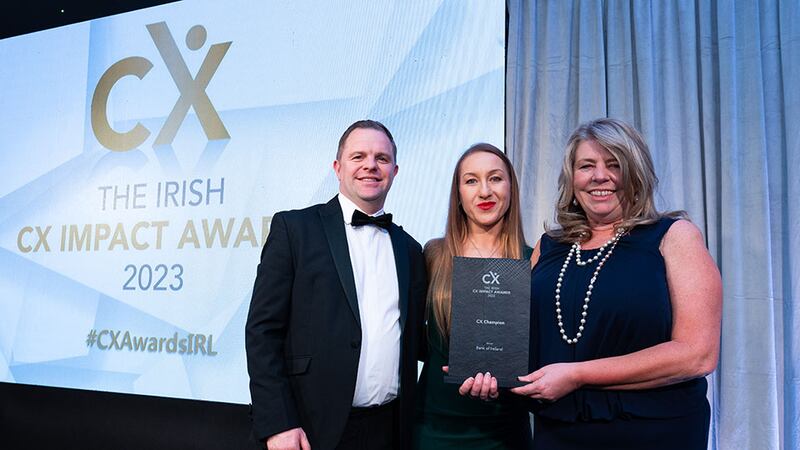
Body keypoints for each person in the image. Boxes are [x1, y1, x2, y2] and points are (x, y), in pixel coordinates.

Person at [461, 118, 722, 449]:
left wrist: (577, 375)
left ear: (636, 172)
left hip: (652, 431)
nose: (600, 176)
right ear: (572, 179)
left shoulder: (674, 236)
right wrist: (485, 368)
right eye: (587, 166)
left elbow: (697, 355)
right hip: (559, 430)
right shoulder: (549, 246)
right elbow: (523, 341)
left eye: (614, 164)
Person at [246, 120, 427, 450]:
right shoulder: (294, 229)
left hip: (390, 430)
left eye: (381, 158)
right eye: (358, 156)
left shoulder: (411, 249)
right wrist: (278, 423)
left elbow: (418, 338)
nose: (370, 165)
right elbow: (262, 332)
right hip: (310, 429)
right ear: (337, 167)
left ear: (395, 171)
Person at [413, 143, 532, 449]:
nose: (484, 192)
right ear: (458, 193)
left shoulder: (534, 261)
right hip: (433, 425)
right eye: (471, 180)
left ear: (511, 188)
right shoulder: (433, 254)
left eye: (495, 178)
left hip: (504, 429)